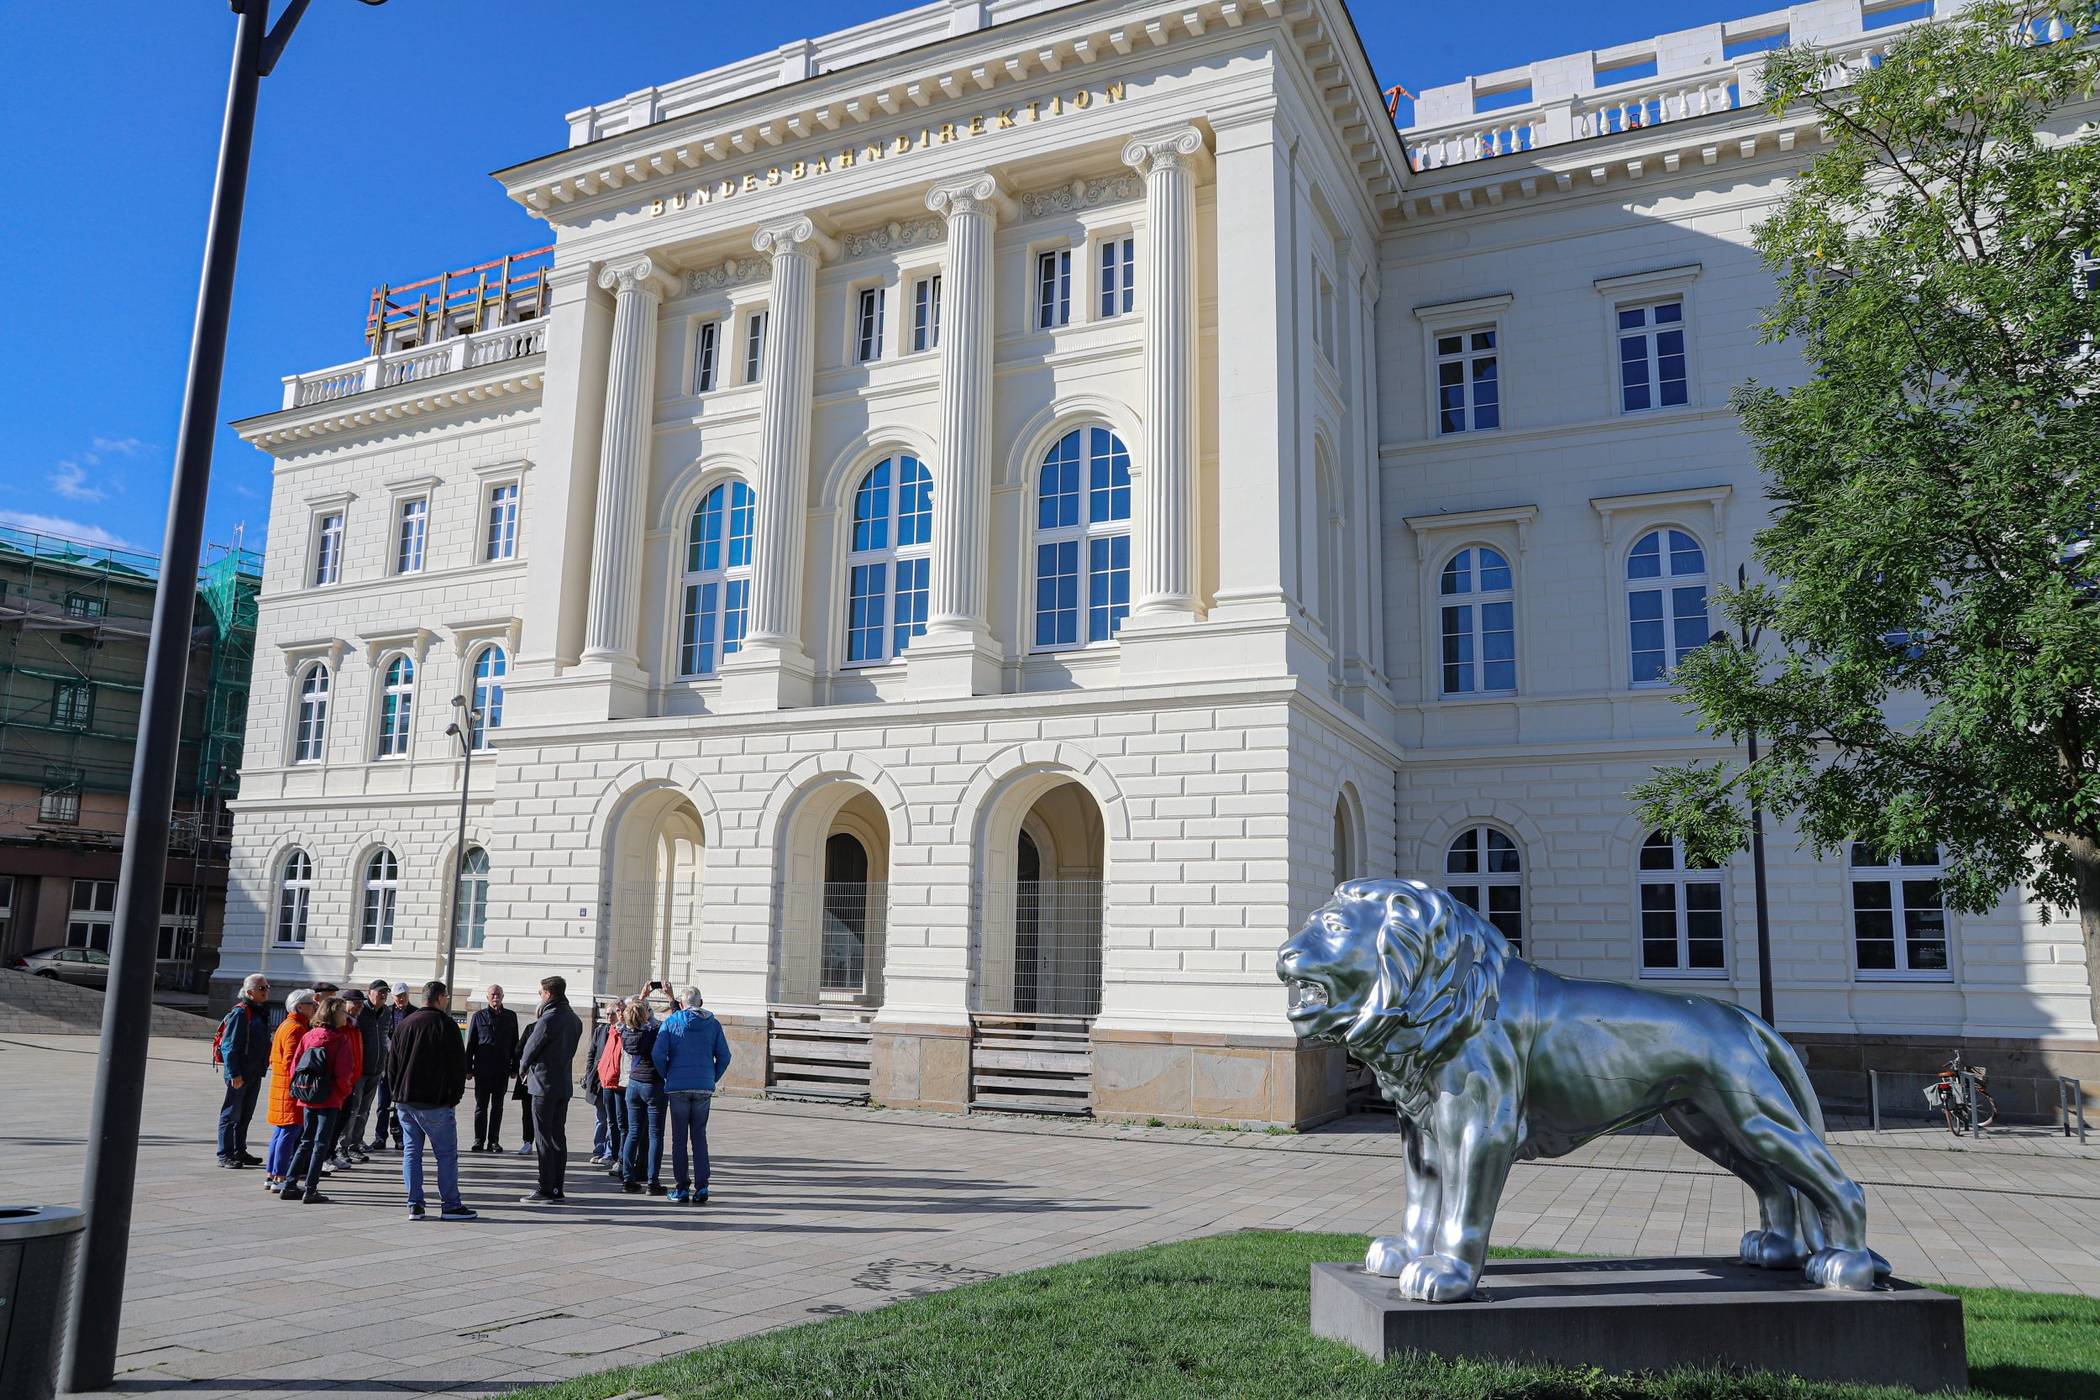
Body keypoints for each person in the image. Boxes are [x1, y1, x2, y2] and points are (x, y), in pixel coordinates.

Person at [388, 979, 476, 1221]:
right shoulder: (446, 1025)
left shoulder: (405, 1024)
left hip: (406, 1100)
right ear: (439, 998)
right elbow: (459, 1066)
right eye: (446, 997)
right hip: (435, 1102)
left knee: (411, 1152)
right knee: (446, 1155)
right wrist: (453, 1097)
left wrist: (396, 1094)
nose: (447, 1000)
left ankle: (414, 1205)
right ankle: (450, 1204)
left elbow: (392, 1065)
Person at [652, 985, 732, 1204]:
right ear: (701, 1003)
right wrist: (711, 1077)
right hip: (703, 1087)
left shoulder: (672, 1022)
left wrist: (667, 1074)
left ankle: (681, 1188)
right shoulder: (713, 1024)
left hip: (677, 1087)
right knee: (699, 1137)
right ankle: (702, 1187)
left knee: (679, 1140)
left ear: (681, 1004)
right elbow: (724, 1056)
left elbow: (658, 1053)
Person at [280, 996, 359, 1204]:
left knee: (306, 1141)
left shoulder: (309, 1035)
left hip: (308, 1096)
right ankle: (311, 1189)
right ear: (334, 1015)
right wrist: (344, 1093)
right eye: (343, 1012)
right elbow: (344, 1072)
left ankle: (289, 1184)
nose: (346, 1015)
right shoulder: (339, 1039)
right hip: (329, 1097)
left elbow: (295, 1065)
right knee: (320, 1144)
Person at [515, 975, 582, 1205]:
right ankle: (556, 1187)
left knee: (543, 1138)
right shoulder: (574, 1019)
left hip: (543, 1085)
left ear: (549, 994)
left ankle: (545, 1186)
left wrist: (523, 1069)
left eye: (541, 993)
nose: (540, 996)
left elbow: (529, 1051)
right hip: (563, 1084)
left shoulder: (547, 1019)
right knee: (557, 1137)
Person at [215, 973, 272, 1169]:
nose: (266, 991)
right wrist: (234, 1074)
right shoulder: (241, 1013)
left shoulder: (260, 1011)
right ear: (249, 992)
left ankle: (240, 1150)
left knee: (245, 1114)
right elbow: (229, 1046)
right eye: (261, 988)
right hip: (240, 1073)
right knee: (231, 1113)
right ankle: (225, 1154)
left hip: (255, 1071)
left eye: (267, 987)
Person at [263, 988, 315, 1190]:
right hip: (290, 1090)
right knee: (288, 1133)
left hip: (282, 1087)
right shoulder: (295, 1028)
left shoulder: (287, 1024)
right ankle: (280, 1177)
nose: (314, 1007)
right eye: (311, 1004)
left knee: (280, 1133)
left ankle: (272, 1174)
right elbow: (292, 1062)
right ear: (300, 1007)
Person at [619, 994, 667, 1195]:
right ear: (645, 1015)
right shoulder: (653, 1033)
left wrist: (640, 1001)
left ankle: (628, 1178)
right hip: (652, 1083)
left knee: (633, 1132)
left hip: (633, 1084)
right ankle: (652, 1181)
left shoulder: (625, 1034)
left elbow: (636, 1018)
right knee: (655, 1134)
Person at [465, 984, 520, 1152]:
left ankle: (493, 1140)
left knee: (498, 1107)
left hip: (501, 1069)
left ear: (502, 996)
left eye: (498, 994)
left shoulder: (511, 1016)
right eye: (492, 994)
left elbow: (514, 1043)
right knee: (481, 1107)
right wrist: (468, 1068)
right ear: (487, 997)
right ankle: (478, 1140)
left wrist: (514, 1067)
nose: (495, 997)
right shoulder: (478, 1016)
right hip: (483, 1069)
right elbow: (471, 1043)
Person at [342, 981, 389, 1160]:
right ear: (370, 993)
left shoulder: (387, 1013)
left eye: (386, 992)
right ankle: (342, 1146)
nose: (383, 995)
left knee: (365, 1110)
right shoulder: (360, 1011)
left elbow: (385, 1038)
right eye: (380, 992)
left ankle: (355, 1144)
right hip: (359, 1070)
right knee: (352, 1109)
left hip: (376, 1070)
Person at [372, 980, 415, 1151]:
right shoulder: (385, 1011)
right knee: (383, 1104)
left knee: (401, 1106)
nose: (401, 999)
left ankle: (400, 1138)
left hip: (405, 1066)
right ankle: (380, 1137)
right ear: (393, 997)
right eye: (398, 996)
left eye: (404, 996)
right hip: (386, 1064)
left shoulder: (414, 1013)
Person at [584, 998, 623, 1165]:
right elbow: (591, 1054)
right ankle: (598, 1149)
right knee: (600, 1118)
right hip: (599, 1082)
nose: (609, 1017)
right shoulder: (600, 1031)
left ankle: (609, 1152)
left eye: (612, 1014)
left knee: (611, 1119)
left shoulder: (622, 1032)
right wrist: (589, 1074)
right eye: (607, 1014)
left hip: (614, 1082)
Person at [593, 1000, 628, 1176]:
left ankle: (622, 1159)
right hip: (607, 1081)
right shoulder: (611, 1029)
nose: (619, 1014)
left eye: (622, 1011)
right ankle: (614, 1157)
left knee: (622, 1124)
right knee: (611, 1122)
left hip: (620, 1083)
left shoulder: (626, 1031)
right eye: (617, 1011)